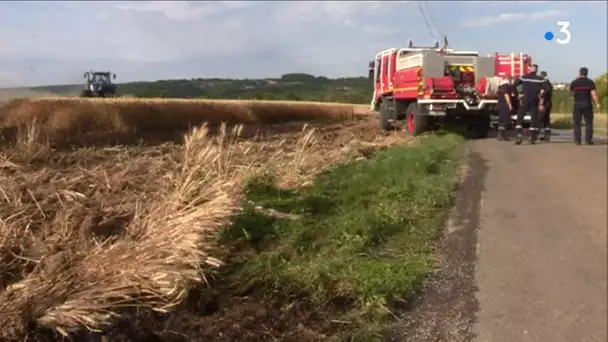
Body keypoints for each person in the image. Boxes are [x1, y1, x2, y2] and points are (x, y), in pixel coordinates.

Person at [512, 64, 548, 145]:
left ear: (530, 69)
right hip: (534, 100)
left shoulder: (524, 77)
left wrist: (518, 94)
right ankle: (532, 137)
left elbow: (514, 85)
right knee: (533, 118)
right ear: (537, 70)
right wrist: (541, 95)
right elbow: (548, 89)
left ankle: (519, 135)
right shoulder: (540, 79)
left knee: (520, 117)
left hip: (524, 100)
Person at [569, 67, 601, 145]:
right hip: (587, 104)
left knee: (577, 123)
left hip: (577, 104)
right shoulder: (590, 82)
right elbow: (593, 94)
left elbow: (571, 91)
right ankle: (588, 140)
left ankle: (577, 140)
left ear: (579, 73)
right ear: (587, 73)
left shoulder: (574, 82)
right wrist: (597, 103)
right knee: (589, 123)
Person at [538, 71, 553, 141]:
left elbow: (542, 95)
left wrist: (541, 104)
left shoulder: (543, 83)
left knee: (540, 119)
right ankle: (547, 135)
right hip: (549, 103)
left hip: (544, 104)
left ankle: (536, 134)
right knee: (547, 120)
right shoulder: (549, 83)